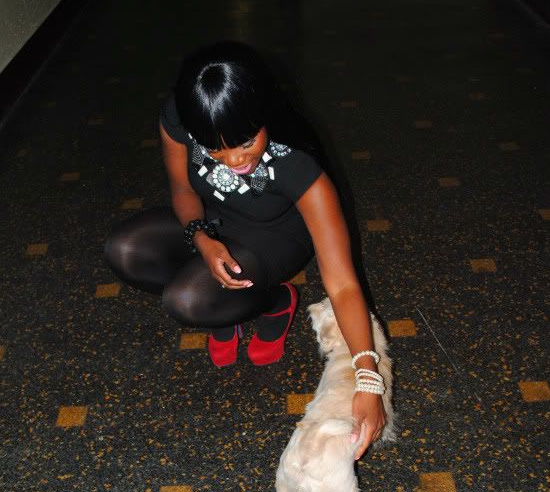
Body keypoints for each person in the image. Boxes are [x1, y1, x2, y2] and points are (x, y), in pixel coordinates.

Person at [105, 42, 386, 459]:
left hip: (274, 237)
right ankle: (226, 299)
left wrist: (368, 379)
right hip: (212, 219)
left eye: (245, 141)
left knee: (187, 300)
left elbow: (343, 285)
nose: (234, 159)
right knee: (125, 250)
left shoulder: (297, 164)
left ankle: (272, 301)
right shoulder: (181, 117)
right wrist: (202, 239)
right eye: (214, 149)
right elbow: (182, 189)